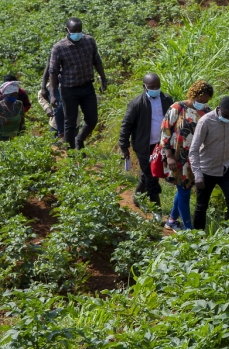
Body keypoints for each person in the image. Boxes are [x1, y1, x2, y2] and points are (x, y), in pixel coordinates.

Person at [159, 81, 214, 231]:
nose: (202, 103)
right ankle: (188, 230)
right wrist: (169, 155)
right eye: (201, 100)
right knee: (184, 192)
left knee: (184, 189)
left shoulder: (207, 112)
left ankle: (171, 220)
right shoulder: (177, 108)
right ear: (193, 95)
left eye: (206, 101)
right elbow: (165, 131)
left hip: (195, 159)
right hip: (178, 158)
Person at [47, 18, 108, 150]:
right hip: (68, 89)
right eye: (74, 31)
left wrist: (103, 78)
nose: (77, 34)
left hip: (87, 86)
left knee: (92, 120)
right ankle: (71, 154)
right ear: (67, 31)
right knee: (70, 122)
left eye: (79, 31)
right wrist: (52, 94)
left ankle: (79, 140)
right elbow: (53, 71)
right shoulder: (59, 48)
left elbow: (96, 61)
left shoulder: (89, 42)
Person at [119, 73, 172, 216]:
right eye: (152, 87)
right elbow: (126, 125)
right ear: (144, 87)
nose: (155, 89)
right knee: (152, 176)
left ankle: (137, 196)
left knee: (147, 173)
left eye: (158, 86)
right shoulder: (137, 103)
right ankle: (157, 211)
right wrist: (124, 146)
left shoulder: (166, 99)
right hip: (143, 145)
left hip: (161, 144)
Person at [189, 96, 229, 231]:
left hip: (226, 167)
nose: (228, 118)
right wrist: (198, 174)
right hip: (207, 170)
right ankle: (197, 236)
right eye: (226, 115)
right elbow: (193, 150)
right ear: (219, 109)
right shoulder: (205, 121)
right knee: (202, 206)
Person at [0, 76, 29, 141]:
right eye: (11, 95)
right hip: (0, 141)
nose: (14, 97)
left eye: (15, 95)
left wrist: (22, 138)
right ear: (4, 95)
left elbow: (22, 123)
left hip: (15, 139)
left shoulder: (19, 104)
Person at [37, 64, 64, 137]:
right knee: (55, 145)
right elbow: (40, 95)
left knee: (72, 145)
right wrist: (47, 108)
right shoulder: (49, 87)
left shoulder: (72, 85)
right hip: (55, 124)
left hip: (73, 123)